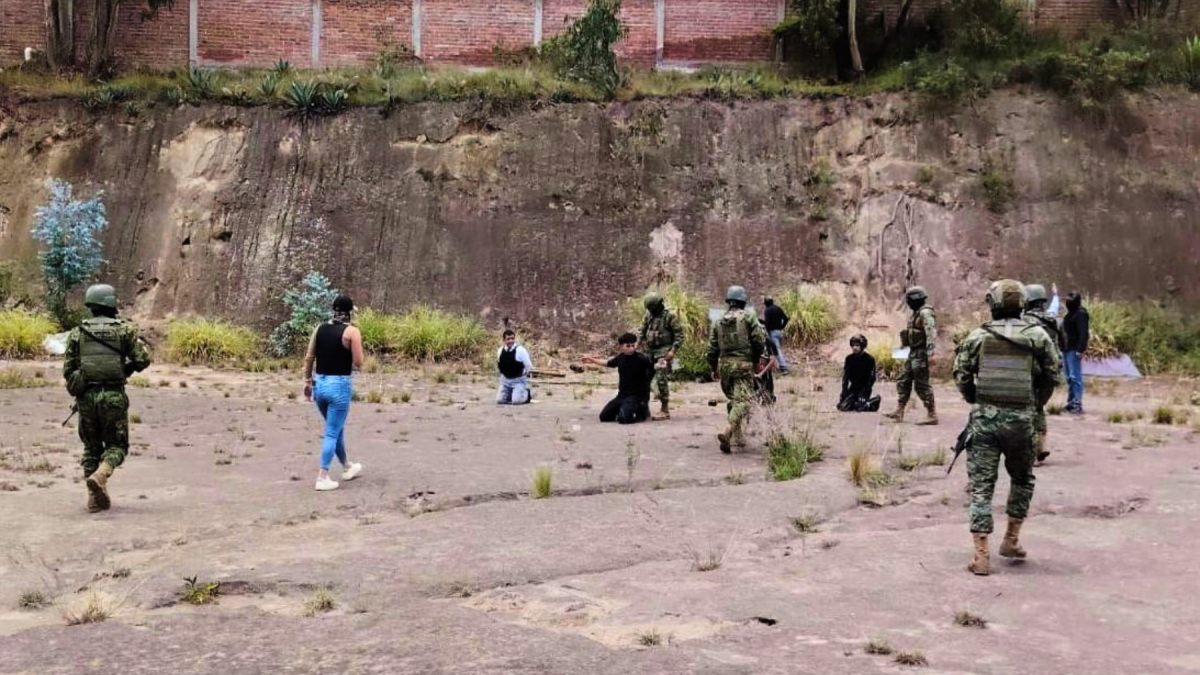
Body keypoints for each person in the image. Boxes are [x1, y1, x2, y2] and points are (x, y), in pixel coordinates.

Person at [953, 280, 1061, 576]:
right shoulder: (1037, 335)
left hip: (985, 423)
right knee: (1023, 480)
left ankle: (981, 556)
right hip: (1022, 422)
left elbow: (961, 374)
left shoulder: (978, 336)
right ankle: (1011, 541)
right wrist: (1035, 403)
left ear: (994, 303)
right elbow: (1053, 374)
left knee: (981, 489)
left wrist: (974, 399)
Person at [62, 284, 152, 513]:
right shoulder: (124, 331)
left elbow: (69, 371)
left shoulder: (77, 333)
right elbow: (143, 359)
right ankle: (102, 474)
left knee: (91, 448)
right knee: (116, 445)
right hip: (113, 397)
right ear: (111, 303)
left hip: (87, 399)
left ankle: (93, 500)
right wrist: (125, 370)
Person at [303, 295, 365, 492]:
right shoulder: (352, 332)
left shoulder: (319, 329)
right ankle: (322, 476)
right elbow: (358, 362)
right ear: (349, 313)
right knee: (332, 432)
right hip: (339, 386)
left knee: (335, 428)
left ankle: (347, 466)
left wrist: (307, 381)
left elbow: (309, 357)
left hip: (319, 385)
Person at [706, 285, 767, 453]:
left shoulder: (718, 320)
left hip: (725, 365)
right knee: (744, 400)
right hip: (743, 364)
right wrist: (755, 360)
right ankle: (728, 429)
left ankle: (737, 434)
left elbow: (711, 349)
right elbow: (759, 340)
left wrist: (713, 367)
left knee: (734, 399)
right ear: (743, 301)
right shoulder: (748, 316)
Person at [885, 286, 938, 425]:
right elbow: (910, 334)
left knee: (921, 384)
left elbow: (931, 333)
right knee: (903, 380)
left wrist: (931, 354)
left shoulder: (925, 313)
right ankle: (899, 411)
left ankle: (932, 414)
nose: (907, 303)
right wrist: (901, 352)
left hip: (921, 353)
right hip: (911, 352)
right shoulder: (915, 314)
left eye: (909, 300)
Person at [1023, 284, 1064, 463]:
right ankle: (1042, 445)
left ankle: (1032, 453)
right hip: (1051, 372)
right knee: (1038, 407)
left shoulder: (1025, 320)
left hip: (1033, 372)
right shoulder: (1052, 319)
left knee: (1029, 409)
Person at [583, 333, 659, 424]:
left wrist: (660, 365)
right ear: (621, 346)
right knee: (604, 417)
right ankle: (624, 408)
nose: (631, 348)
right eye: (628, 346)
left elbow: (653, 366)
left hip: (636, 396)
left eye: (633, 345)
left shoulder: (640, 358)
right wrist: (592, 360)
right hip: (622, 396)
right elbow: (608, 363)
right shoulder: (621, 358)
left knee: (624, 419)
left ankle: (641, 410)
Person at [639, 291, 683, 420]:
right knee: (644, 380)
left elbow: (679, 336)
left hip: (663, 351)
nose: (651, 311)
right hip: (649, 351)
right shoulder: (648, 315)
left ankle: (665, 409)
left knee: (661, 380)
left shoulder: (670, 316)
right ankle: (644, 409)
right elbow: (642, 329)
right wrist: (638, 342)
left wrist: (673, 351)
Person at [838, 334, 880, 412]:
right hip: (853, 388)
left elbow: (872, 378)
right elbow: (845, 377)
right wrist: (844, 391)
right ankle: (857, 401)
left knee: (859, 407)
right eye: (853, 345)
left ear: (862, 346)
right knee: (842, 407)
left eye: (857, 345)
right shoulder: (849, 359)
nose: (854, 347)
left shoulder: (869, 359)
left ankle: (874, 400)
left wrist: (866, 391)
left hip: (864, 389)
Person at [1062, 292, 1089, 415]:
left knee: (1075, 377)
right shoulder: (1070, 314)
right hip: (1067, 349)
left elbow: (1083, 334)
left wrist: (1080, 349)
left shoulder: (1081, 315)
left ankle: (1077, 404)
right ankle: (1071, 402)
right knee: (1069, 377)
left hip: (1074, 349)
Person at [496, 329, 533, 405]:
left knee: (516, 401)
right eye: (508, 339)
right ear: (504, 340)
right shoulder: (500, 351)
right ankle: (513, 393)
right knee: (500, 400)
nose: (510, 341)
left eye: (512, 338)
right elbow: (500, 364)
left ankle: (527, 393)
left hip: (518, 380)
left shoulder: (520, 350)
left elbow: (528, 364)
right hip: (505, 381)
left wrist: (523, 374)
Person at [754, 319, 780, 405]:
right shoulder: (751, 344)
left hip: (766, 376)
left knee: (768, 399)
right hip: (753, 375)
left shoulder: (770, 343)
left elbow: (772, 360)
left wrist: (761, 373)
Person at [762, 297, 790, 375]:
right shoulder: (778, 308)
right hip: (779, 332)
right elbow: (786, 319)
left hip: (772, 333)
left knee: (776, 350)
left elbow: (767, 323)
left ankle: (783, 367)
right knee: (779, 349)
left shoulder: (767, 310)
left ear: (765, 303)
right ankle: (781, 365)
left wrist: (766, 332)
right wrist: (782, 327)